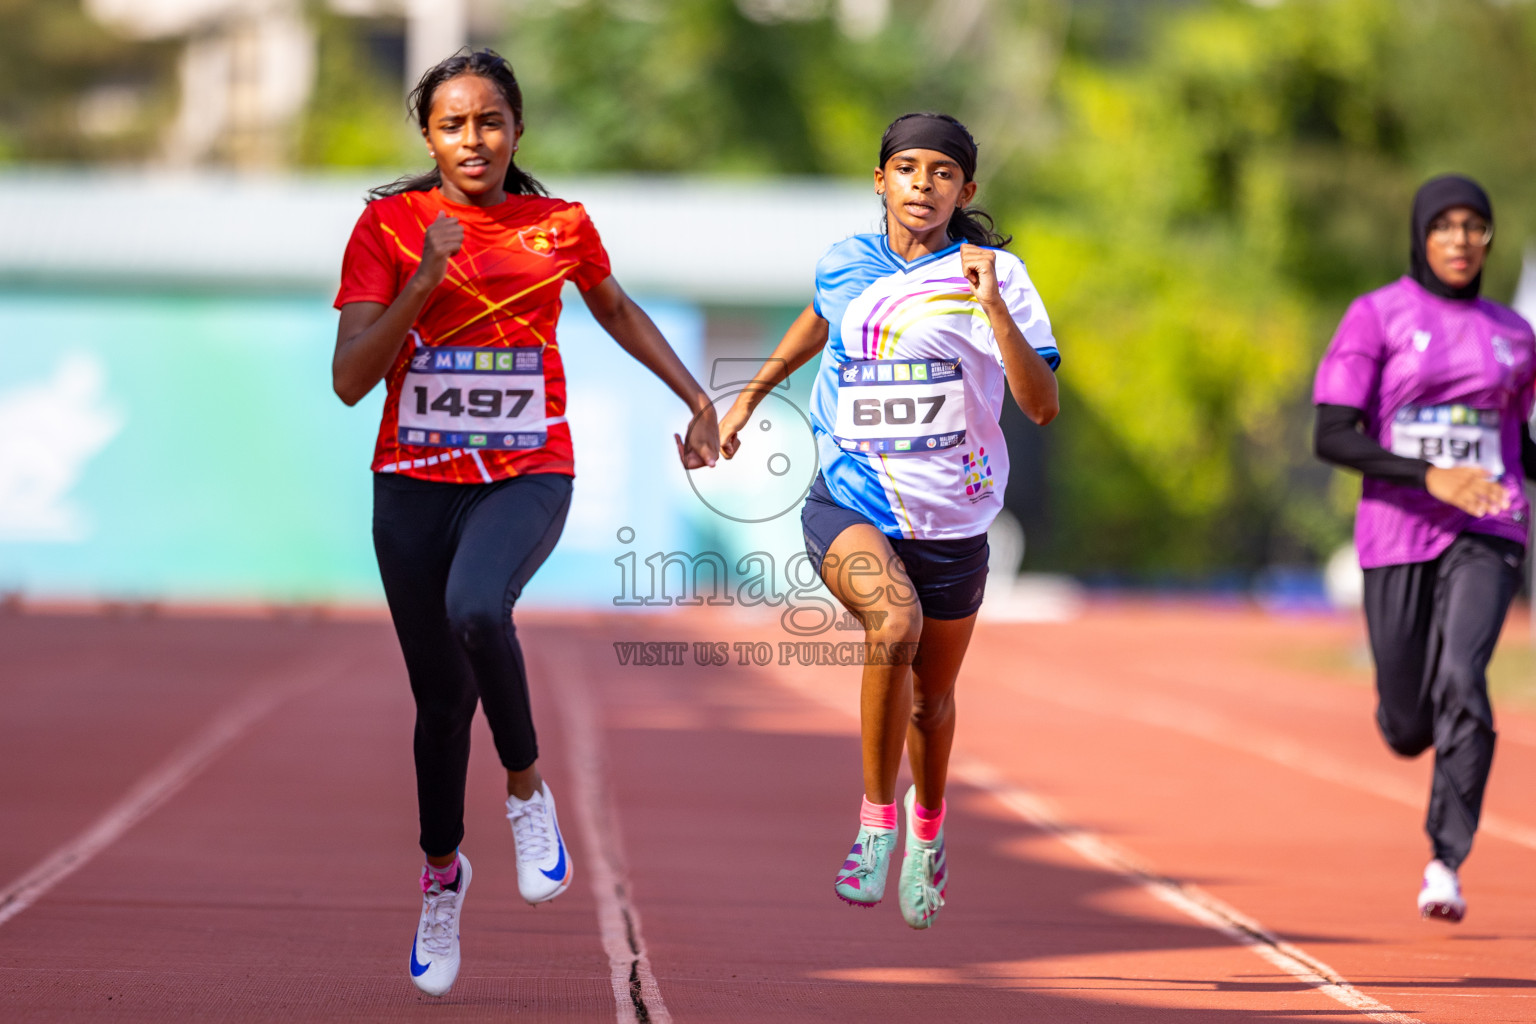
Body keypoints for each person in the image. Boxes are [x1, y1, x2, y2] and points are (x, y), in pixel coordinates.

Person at [331, 49, 717, 997]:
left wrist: (698, 399)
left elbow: (617, 310)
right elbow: (349, 380)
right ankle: (440, 876)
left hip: (526, 472)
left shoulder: (562, 226)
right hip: (412, 485)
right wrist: (421, 281)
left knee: (477, 611)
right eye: (454, 124)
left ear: (517, 129)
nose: (474, 140)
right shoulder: (388, 225)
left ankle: (526, 788)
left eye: (490, 120)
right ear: (428, 136)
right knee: (439, 704)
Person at [719, 113, 1060, 929]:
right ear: (881, 180)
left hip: (951, 519)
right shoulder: (846, 263)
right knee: (893, 622)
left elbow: (1041, 408)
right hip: (849, 499)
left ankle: (928, 830)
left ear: (965, 191)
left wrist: (995, 313)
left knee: (930, 701)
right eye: (906, 168)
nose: (922, 184)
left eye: (942, 172)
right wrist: (751, 398)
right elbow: (818, 316)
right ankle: (874, 824)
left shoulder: (998, 277)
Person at [1313, 174, 1536, 923]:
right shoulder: (1377, 316)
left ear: (1489, 238)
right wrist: (1430, 476)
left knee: (1465, 676)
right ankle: (1413, 725)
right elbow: (1333, 433)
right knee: (1408, 725)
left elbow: (1523, 445)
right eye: (1446, 225)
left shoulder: (1515, 336)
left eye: (1476, 226)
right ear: (1422, 233)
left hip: (1491, 526)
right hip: (1399, 530)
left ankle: (1446, 860)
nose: (1462, 240)